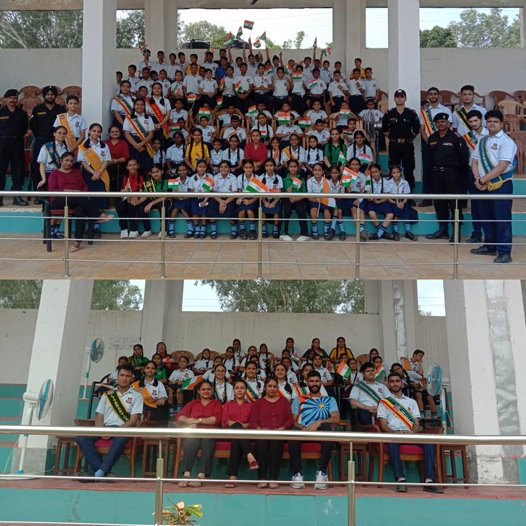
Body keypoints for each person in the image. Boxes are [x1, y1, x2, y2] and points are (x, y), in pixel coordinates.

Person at [377, 372, 442, 493]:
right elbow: (383, 425)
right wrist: (394, 433)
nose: (395, 384)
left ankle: (429, 481)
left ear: (402, 383)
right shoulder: (384, 402)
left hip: (410, 434)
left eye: (397, 381)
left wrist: (412, 432)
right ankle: (400, 480)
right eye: (392, 381)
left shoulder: (411, 402)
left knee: (429, 442)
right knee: (392, 442)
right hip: (394, 434)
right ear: (388, 384)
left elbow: (416, 423)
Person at [76, 364, 143, 480]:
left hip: (123, 429)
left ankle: (99, 473)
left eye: (127, 376)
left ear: (132, 379)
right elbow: (99, 417)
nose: (124, 378)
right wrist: (101, 430)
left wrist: (115, 431)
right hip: (106, 427)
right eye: (122, 375)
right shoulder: (107, 395)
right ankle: (103, 472)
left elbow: (133, 420)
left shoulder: (137, 396)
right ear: (117, 377)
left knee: (121, 438)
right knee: (81, 438)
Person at [470, 109, 516, 263]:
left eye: (495, 121)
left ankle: (504, 252)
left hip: (500, 185)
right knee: (486, 217)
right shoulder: (482, 141)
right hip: (482, 184)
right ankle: (490, 246)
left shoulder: (506, 142)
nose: (492, 124)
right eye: (489, 121)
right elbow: (474, 161)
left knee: (502, 219)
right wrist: (477, 179)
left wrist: (483, 180)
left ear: (502, 124)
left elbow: (502, 166)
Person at [47, 152, 111, 252]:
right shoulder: (54, 173)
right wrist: (67, 191)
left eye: (71, 161)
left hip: (77, 200)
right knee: (76, 196)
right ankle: (98, 214)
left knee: (80, 210)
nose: (69, 163)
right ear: (61, 161)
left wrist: (81, 193)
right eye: (66, 160)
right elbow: (52, 190)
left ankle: (77, 243)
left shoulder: (77, 172)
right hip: (59, 200)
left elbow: (84, 186)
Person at [289, 371, 340, 490]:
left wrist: (319, 422)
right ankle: (297, 475)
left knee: (328, 430)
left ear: (321, 382)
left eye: (317, 381)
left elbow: (336, 418)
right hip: (303, 430)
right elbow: (293, 420)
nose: (314, 384)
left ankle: (321, 474)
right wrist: (302, 427)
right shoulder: (299, 399)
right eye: (311, 381)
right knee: (292, 432)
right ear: (307, 382)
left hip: (321, 429)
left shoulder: (329, 400)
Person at [425, 112, 470, 243]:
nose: (440, 124)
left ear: (448, 123)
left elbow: (464, 158)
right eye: (438, 122)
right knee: (439, 203)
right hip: (436, 175)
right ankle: (443, 230)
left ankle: (456, 232)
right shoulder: (432, 137)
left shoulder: (456, 137)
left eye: (443, 121)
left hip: (452, 175)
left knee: (454, 204)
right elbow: (428, 158)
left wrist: (461, 177)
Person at [176, 380, 223, 487]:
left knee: (207, 441)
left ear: (212, 391)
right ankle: (186, 475)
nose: (206, 391)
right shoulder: (193, 403)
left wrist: (198, 421)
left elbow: (216, 419)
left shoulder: (216, 403)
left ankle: (201, 476)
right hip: (195, 433)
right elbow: (180, 416)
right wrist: (188, 420)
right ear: (199, 391)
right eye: (203, 389)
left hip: (209, 433)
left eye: (208, 389)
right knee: (190, 441)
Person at [249, 376, 294, 489]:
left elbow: (290, 419)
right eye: (270, 386)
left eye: (274, 386)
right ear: (265, 388)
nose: (272, 389)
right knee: (260, 444)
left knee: (276, 443)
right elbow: (253, 421)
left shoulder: (284, 401)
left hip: (278, 433)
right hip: (263, 434)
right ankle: (262, 478)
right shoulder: (259, 402)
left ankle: (273, 478)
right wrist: (259, 430)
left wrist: (282, 428)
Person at [29, 85, 66, 202]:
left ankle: (56, 193)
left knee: (58, 165)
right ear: (44, 96)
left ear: (55, 96)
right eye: (48, 94)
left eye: (52, 94)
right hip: (41, 140)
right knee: (38, 166)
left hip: (57, 141)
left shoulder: (61, 110)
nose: (50, 96)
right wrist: (40, 136)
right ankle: (39, 195)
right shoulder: (37, 109)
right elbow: (33, 125)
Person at [419, 87, 453, 205]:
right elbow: (422, 130)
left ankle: (445, 198)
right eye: (430, 94)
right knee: (427, 171)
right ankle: (427, 199)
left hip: (444, 146)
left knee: (444, 171)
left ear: (438, 95)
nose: (433, 96)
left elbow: (450, 127)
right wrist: (430, 143)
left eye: (435, 94)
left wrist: (441, 143)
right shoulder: (424, 112)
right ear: (428, 96)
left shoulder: (446, 110)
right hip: (428, 145)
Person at [381, 89, 420, 191]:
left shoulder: (411, 113)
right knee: (393, 169)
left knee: (409, 170)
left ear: (405, 98)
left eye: (402, 96)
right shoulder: (389, 113)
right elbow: (385, 131)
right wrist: (394, 138)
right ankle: (392, 193)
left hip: (407, 145)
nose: (399, 99)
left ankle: (409, 194)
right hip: (394, 145)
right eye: (397, 97)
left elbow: (416, 130)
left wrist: (407, 139)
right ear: (394, 99)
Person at [222, 379, 259, 487]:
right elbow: (225, 421)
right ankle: (250, 455)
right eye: (237, 388)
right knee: (237, 429)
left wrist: (242, 427)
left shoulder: (251, 405)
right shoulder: (228, 404)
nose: (239, 390)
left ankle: (232, 477)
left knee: (236, 439)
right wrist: (239, 426)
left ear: (246, 390)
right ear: (233, 390)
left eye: (242, 388)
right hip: (229, 432)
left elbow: (252, 421)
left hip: (245, 434)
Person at [0, 89, 29, 206]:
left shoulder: (22, 113)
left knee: (18, 170)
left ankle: (17, 196)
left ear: (17, 100)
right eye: (10, 98)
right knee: (0, 170)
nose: (12, 100)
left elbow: (24, 129)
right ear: (5, 99)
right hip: (2, 143)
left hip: (17, 143)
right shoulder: (1, 112)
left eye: (15, 98)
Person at [465, 110, 489, 244]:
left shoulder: (489, 134)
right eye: (471, 121)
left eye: (476, 120)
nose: (473, 123)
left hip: (487, 173)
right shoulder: (468, 137)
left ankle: (490, 235)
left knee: (487, 205)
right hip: (472, 173)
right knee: (475, 205)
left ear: (481, 120)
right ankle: (477, 233)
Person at [36, 126, 69, 203]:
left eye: (64, 133)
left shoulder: (67, 148)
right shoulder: (47, 146)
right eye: (59, 133)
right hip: (50, 174)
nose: (62, 135)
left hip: (63, 175)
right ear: (54, 134)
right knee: (52, 198)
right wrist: (43, 179)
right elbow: (42, 164)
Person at [349, 361, 388, 425]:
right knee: (363, 414)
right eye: (368, 371)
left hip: (381, 410)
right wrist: (368, 408)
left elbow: (390, 400)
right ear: (363, 374)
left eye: (372, 371)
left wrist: (379, 408)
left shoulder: (382, 386)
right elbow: (352, 401)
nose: (371, 372)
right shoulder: (357, 387)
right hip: (365, 410)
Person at [281, 159, 309, 242]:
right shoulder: (284, 180)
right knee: (286, 211)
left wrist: (296, 199)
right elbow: (281, 193)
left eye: (295, 166)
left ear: (298, 168)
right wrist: (287, 192)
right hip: (287, 199)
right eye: (291, 166)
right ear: (288, 168)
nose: (293, 168)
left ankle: (304, 234)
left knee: (301, 211)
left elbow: (304, 193)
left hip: (298, 199)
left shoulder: (301, 179)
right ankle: (284, 233)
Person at [388, 165, 418, 241]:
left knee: (407, 209)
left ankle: (408, 232)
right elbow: (388, 198)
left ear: (400, 173)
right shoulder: (388, 183)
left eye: (398, 172)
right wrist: (396, 203)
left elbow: (406, 197)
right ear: (391, 174)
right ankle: (395, 231)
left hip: (403, 201)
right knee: (394, 210)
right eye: (394, 173)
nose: (396, 174)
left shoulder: (405, 182)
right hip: (393, 201)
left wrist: (402, 203)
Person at [104, 125, 131, 194]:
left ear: (120, 132)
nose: (115, 133)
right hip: (105, 164)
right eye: (112, 132)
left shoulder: (123, 143)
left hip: (119, 165)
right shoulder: (105, 142)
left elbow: (125, 157)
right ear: (109, 134)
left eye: (116, 131)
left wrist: (115, 161)